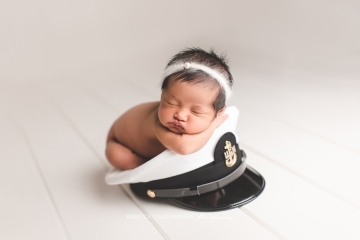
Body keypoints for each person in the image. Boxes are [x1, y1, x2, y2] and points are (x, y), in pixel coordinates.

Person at [105, 48, 234, 170]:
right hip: (119, 143)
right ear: (162, 96)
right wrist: (213, 126)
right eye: (171, 103)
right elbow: (184, 147)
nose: (180, 115)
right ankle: (146, 167)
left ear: (219, 112)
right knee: (116, 155)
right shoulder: (157, 123)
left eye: (196, 111)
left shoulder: (206, 116)